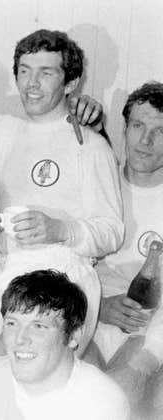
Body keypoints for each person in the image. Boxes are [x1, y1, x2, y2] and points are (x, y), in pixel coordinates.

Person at [0, 29, 124, 390]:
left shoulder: (91, 145)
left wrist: (61, 230)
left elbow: (112, 231)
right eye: (24, 71)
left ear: (71, 83)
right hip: (7, 269)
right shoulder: (5, 131)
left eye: (46, 73)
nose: (31, 84)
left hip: (63, 276)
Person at [0, 269, 129, 420]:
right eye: (12, 323)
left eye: (39, 326)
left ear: (74, 335)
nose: (21, 338)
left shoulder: (102, 404)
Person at [92, 81, 163, 417]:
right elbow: (67, 264)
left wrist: (149, 354)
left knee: (117, 398)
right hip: (91, 314)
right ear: (125, 128)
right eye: (138, 126)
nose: (145, 141)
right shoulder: (98, 184)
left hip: (147, 328)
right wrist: (97, 307)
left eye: (160, 131)